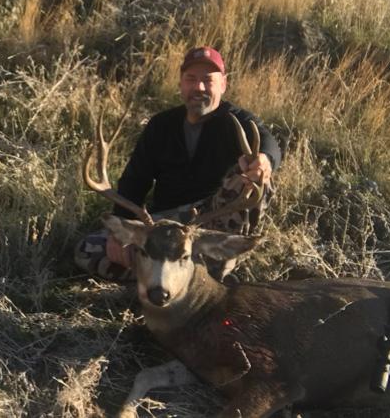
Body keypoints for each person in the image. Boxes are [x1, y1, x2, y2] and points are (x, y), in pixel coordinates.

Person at [75, 46, 282, 280]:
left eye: (208, 80)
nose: (199, 87)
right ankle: (184, 274)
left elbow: (269, 142)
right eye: (191, 79)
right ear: (181, 84)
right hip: (163, 223)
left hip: (209, 223)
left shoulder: (237, 120)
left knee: (253, 179)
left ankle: (181, 268)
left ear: (223, 84)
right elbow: (135, 180)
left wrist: (265, 159)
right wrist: (120, 232)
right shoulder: (161, 125)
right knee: (87, 249)